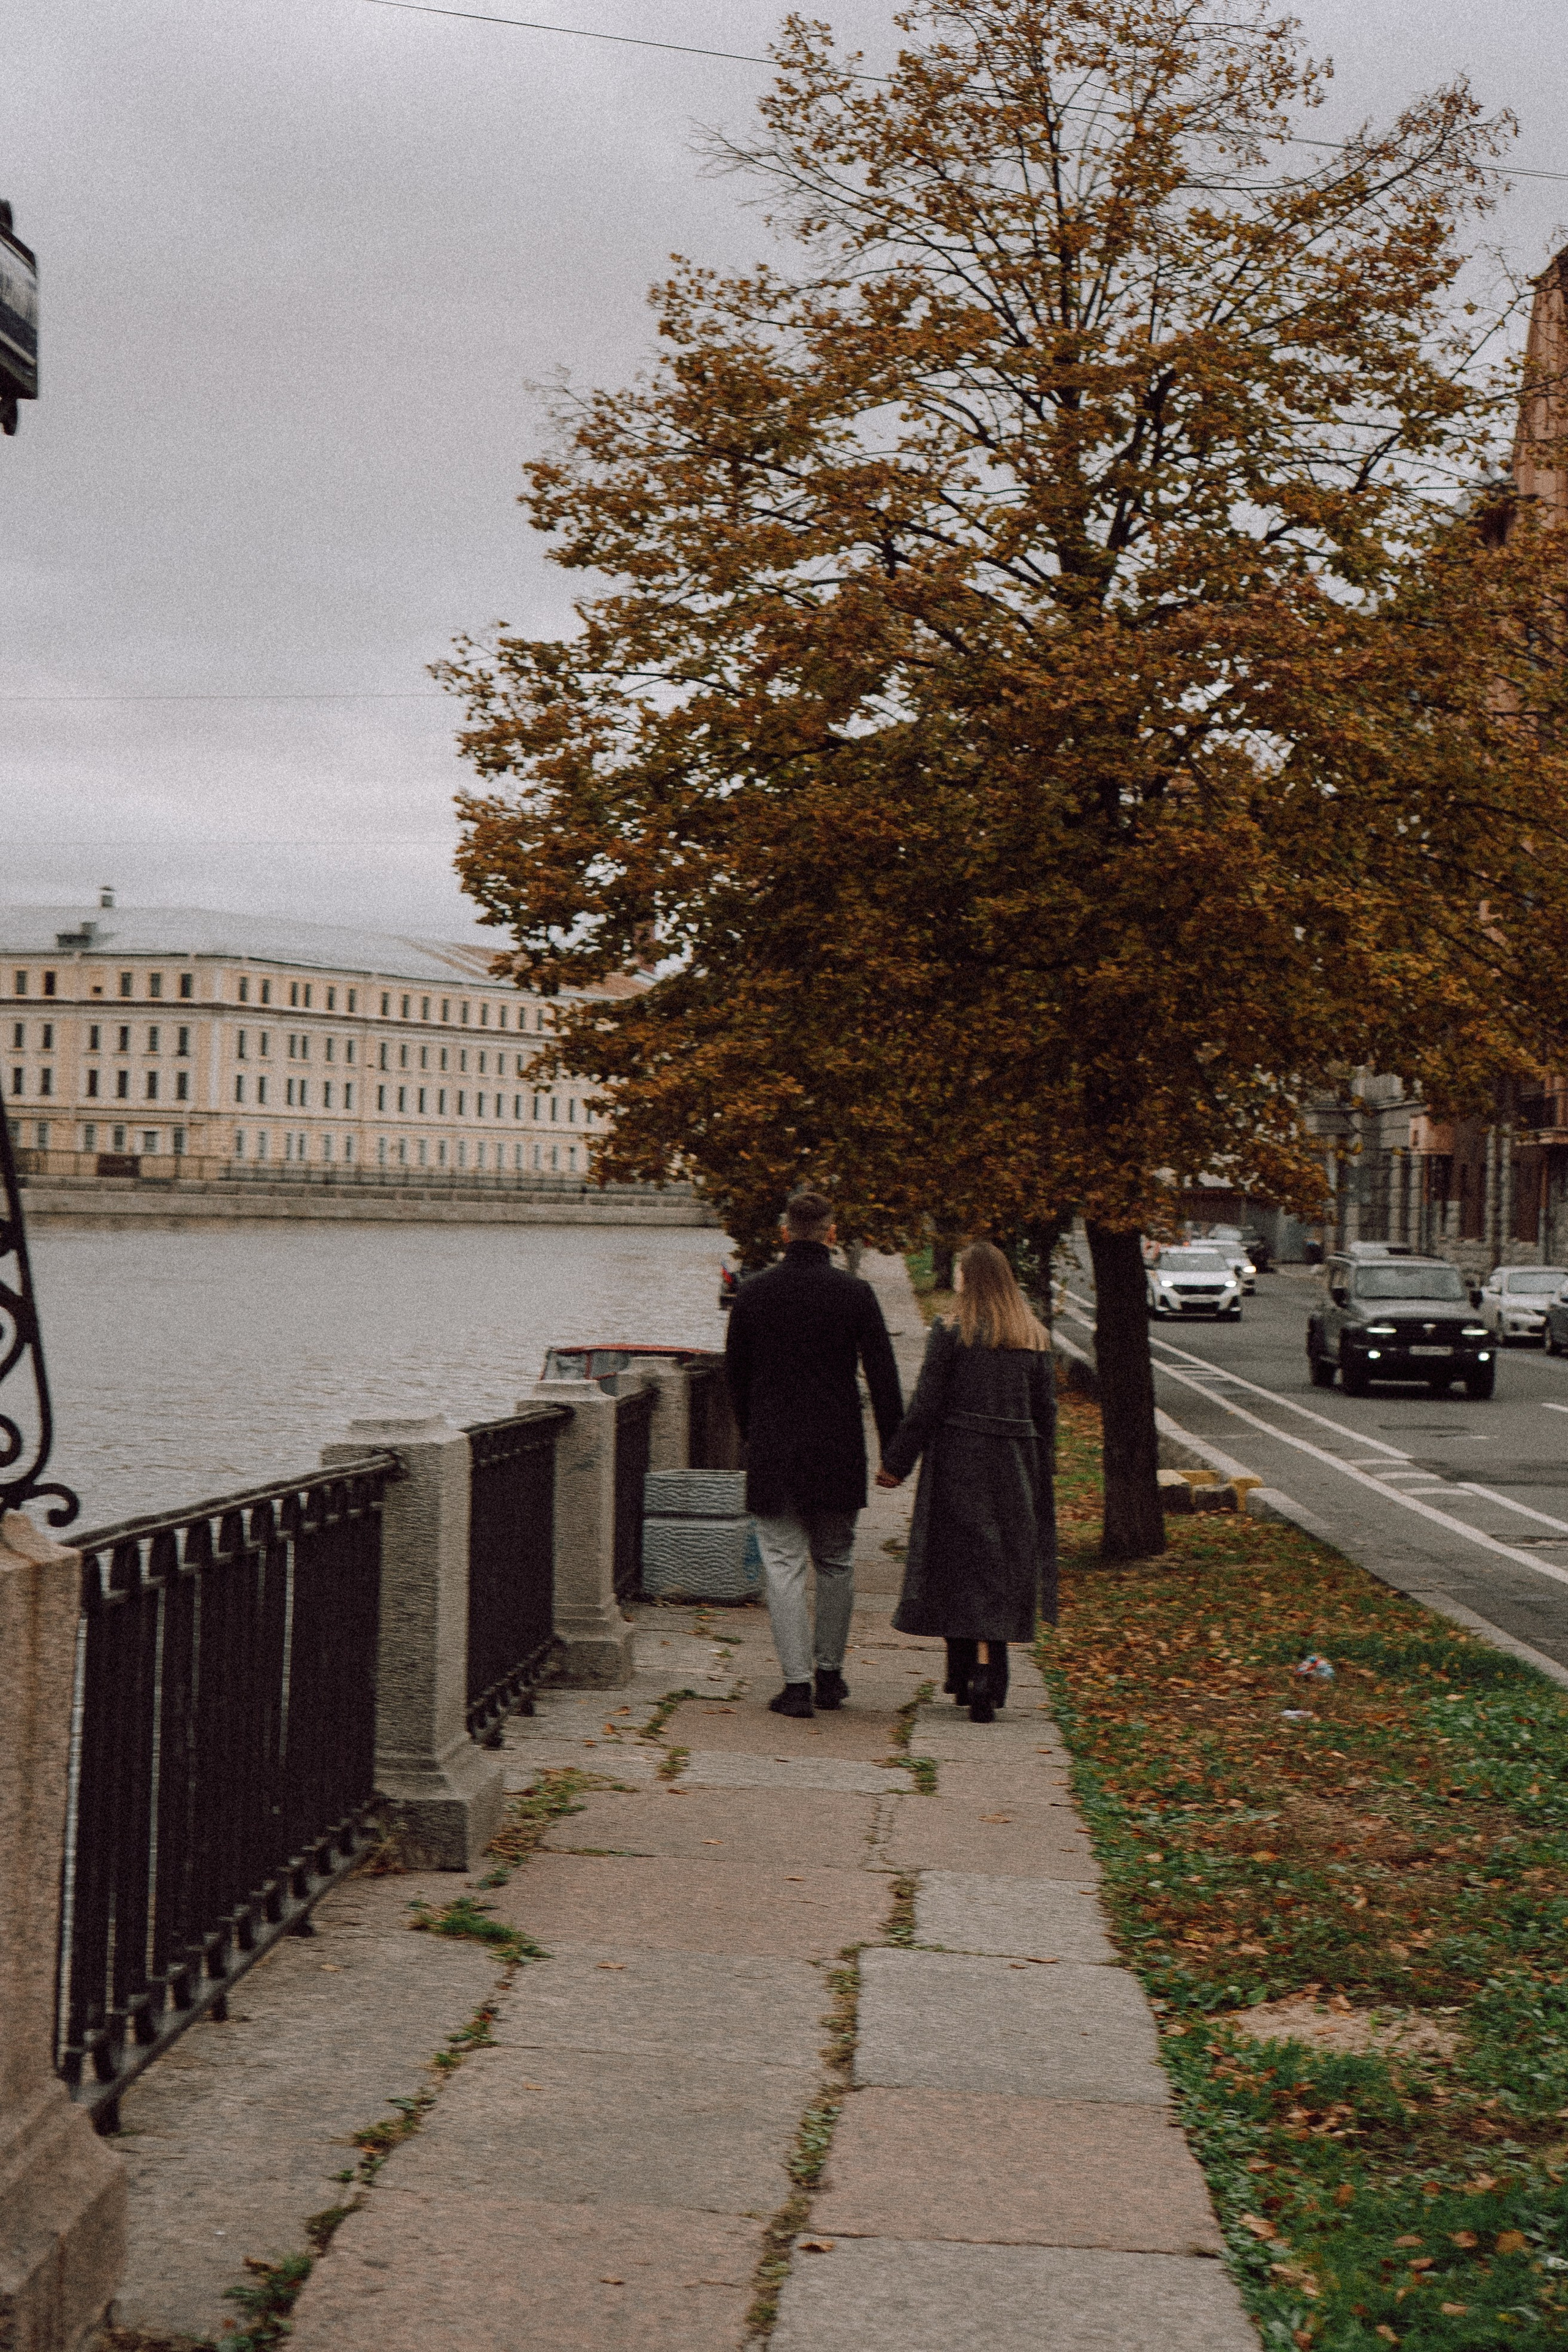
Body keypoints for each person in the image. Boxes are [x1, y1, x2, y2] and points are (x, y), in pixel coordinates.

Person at [725, 1189, 903, 1718]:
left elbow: (736, 1376)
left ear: (784, 1232)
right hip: (837, 1447)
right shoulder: (855, 1294)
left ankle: (795, 1684)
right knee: (836, 1560)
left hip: (775, 1448)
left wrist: (751, 1435)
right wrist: (893, 1454)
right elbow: (884, 1376)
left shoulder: (755, 1294)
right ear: (831, 1232)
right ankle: (830, 1675)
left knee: (782, 1566)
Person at [876, 1240, 1056, 1723]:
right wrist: (1043, 1470)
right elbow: (1047, 1416)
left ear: (968, 1279)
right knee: (999, 1565)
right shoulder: (1033, 1336)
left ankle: (963, 1673)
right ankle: (990, 1674)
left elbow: (926, 1404)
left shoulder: (952, 1331)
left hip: (959, 1460)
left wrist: (896, 1462)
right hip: (1015, 1464)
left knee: (957, 1562)